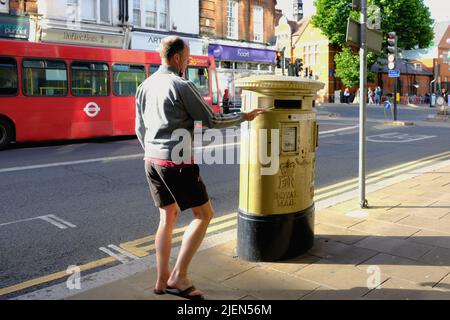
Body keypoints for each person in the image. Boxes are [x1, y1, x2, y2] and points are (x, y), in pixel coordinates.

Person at [135, 36, 266, 300]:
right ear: (176, 59)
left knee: (166, 218)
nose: (188, 61)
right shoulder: (182, 85)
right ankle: (179, 276)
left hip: (151, 160)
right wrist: (245, 116)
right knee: (203, 214)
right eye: (187, 56)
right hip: (177, 162)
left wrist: (152, 151)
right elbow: (212, 120)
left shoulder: (145, 86)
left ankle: (161, 281)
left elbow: (139, 128)